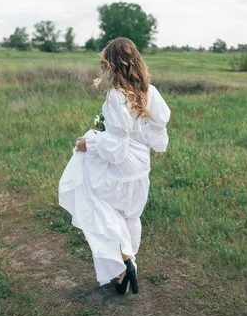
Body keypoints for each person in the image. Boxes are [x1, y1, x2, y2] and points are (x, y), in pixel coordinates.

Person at [58, 37, 171, 295]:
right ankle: (125, 270)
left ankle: (123, 260)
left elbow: (116, 149)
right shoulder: (150, 91)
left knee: (96, 200)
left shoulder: (116, 96)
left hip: (122, 166)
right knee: (131, 215)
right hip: (141, 167)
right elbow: (157, 137)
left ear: (112, 65)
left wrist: (90, 143)